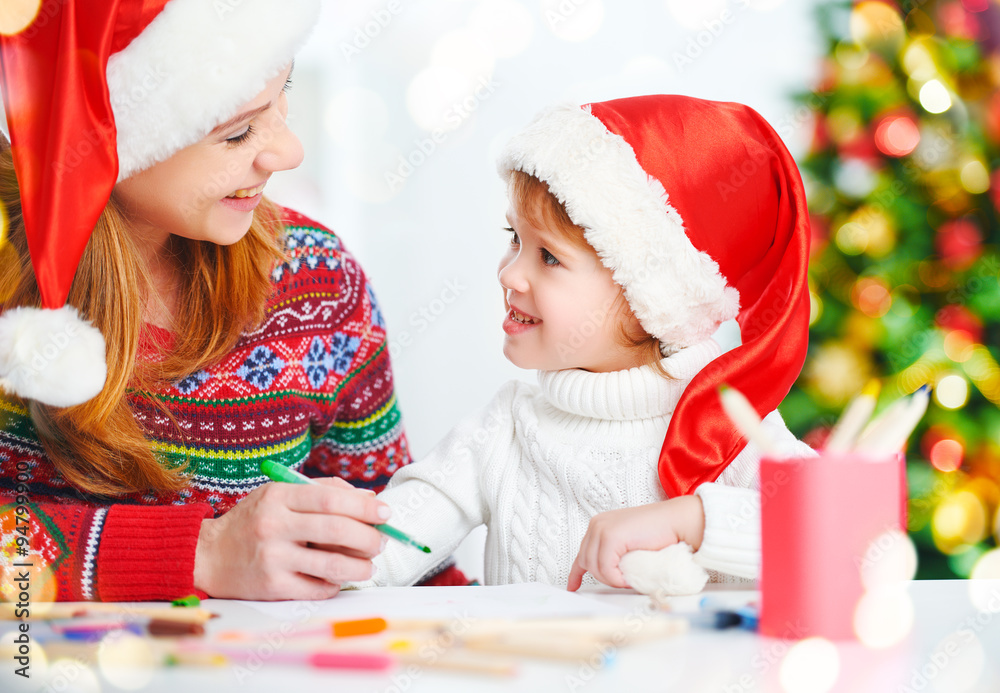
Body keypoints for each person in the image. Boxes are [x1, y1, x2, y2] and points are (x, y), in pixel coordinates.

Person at [0, 0, 464, 602]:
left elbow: (400, 555)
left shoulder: (317, 283)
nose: (288, 151)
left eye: (284, 89)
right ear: (102, 138)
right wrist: (204, 553)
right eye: (238, 130)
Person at [358, 95, 816, 591]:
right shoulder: (503, 430)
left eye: (549, 258)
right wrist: (327, 547)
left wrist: (693, 521)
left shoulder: (729, 427)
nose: (509, 273)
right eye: (514, 237)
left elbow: (848, 535)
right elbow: (377, 554)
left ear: (650, 296)